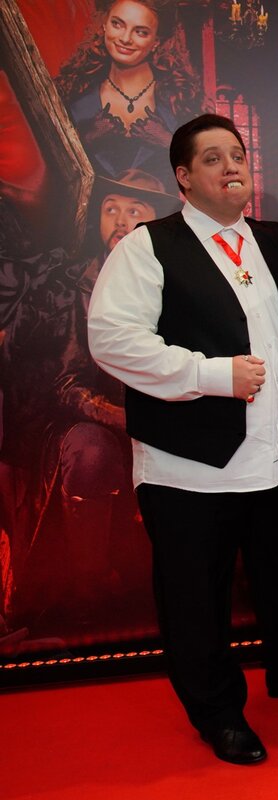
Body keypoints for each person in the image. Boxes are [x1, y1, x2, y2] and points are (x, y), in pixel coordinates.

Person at [87, 114, 278, 766]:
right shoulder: (147, 247)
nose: (232, 166)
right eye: (213, 158)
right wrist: (209, 375)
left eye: (237, 154)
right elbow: (113, 340)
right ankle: (217, 711)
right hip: (189, 468)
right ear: (183, 176)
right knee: (196, 598)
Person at [0, 169, 179, 629]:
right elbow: (64, 386)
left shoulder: (179, 283)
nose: (120, 220)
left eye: (135, 210)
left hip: (162, 416)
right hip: (78, 427)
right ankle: (89, 586)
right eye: (110, 208)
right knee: (92, 450)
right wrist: (128, 418)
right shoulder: (70, 284)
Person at [55, 0, 204, 191]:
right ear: (104, 25)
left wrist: (166, 140)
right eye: (117, 24)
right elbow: (51, 170)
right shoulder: (75, 94)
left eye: (140, 32)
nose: (125, 38)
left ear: (156, 41)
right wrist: (87, 138)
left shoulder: (180, 98)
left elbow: (205, 171)